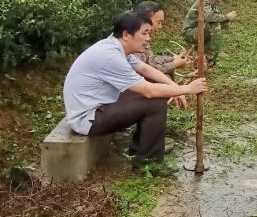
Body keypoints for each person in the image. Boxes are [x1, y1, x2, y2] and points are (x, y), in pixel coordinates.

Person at [63, 11, 207, 173]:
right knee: (154, 100)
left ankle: (140, 149)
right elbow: (148, 91)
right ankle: (148, 163)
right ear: (126, 34)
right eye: (144, 33)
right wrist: (187, 88)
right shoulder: (110, 57)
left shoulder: (115, 47)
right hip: (88, 118)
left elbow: (145, 69)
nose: (148, 38)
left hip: (99, 106)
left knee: (157, 87)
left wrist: (174, 87)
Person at [181, 0, 237, 67]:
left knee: (223, 23)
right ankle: (209, 55)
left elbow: (217, 17)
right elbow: (210, 17)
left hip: (198, 31)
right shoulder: (203, 2)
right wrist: (227, 16)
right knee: (214, 24)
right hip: (190, 33)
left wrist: (227, 18)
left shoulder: (211, 4)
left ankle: (206, 55)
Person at [133, 1, 191, 77]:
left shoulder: (143, 36)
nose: (160, 27)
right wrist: (174, 64)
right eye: (158, 22)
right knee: (165, 76)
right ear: (146, 21)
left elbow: (150, 59)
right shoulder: (133, 41)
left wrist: (173, 59)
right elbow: (147, 71)